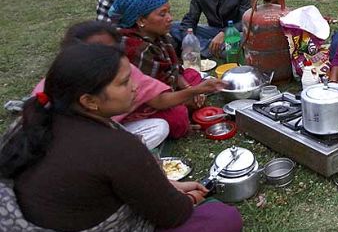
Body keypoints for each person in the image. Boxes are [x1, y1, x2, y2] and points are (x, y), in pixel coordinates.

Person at [0, 43, 242, 232]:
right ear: (89, 101)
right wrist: (190, 199)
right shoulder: (116, 147)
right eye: (124, 82)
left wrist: (172, 186)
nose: (135, 86)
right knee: (222, 218)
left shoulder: (33, 121)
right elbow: (172, 214)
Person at [32, 21, 224, 145]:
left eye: (113, 50)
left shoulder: (123, 68)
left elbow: (158, 99)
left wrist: (196, 89)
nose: (133, 87)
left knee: (161, 125)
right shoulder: (59, 92)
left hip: (109, 131)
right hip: (84, 144)